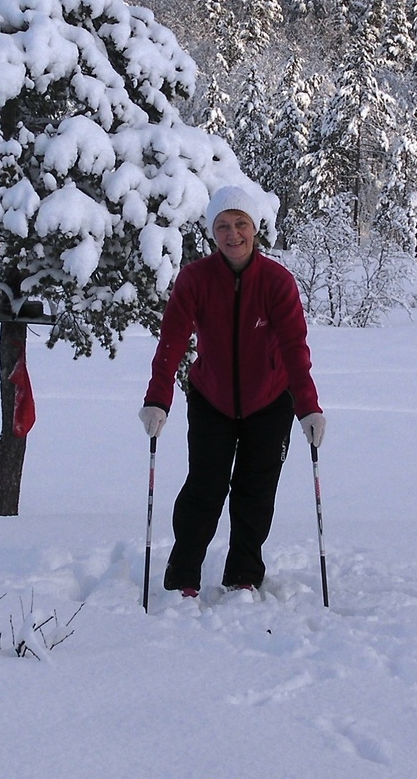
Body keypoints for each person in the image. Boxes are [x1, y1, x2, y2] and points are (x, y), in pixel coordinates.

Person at [139, 184, 326, 598]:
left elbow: (295, 349)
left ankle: (244, 575)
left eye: (241, 223)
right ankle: (183, 575)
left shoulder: (277, 281)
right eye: (222, 225)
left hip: (270, 401)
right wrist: (157, 399)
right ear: (212, 232)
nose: (233, 233)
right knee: (203, 490)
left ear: (254, 228)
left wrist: (308, 408)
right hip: (212, 399)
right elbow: (171, 342)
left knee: (255, 493)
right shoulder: (196, 279)